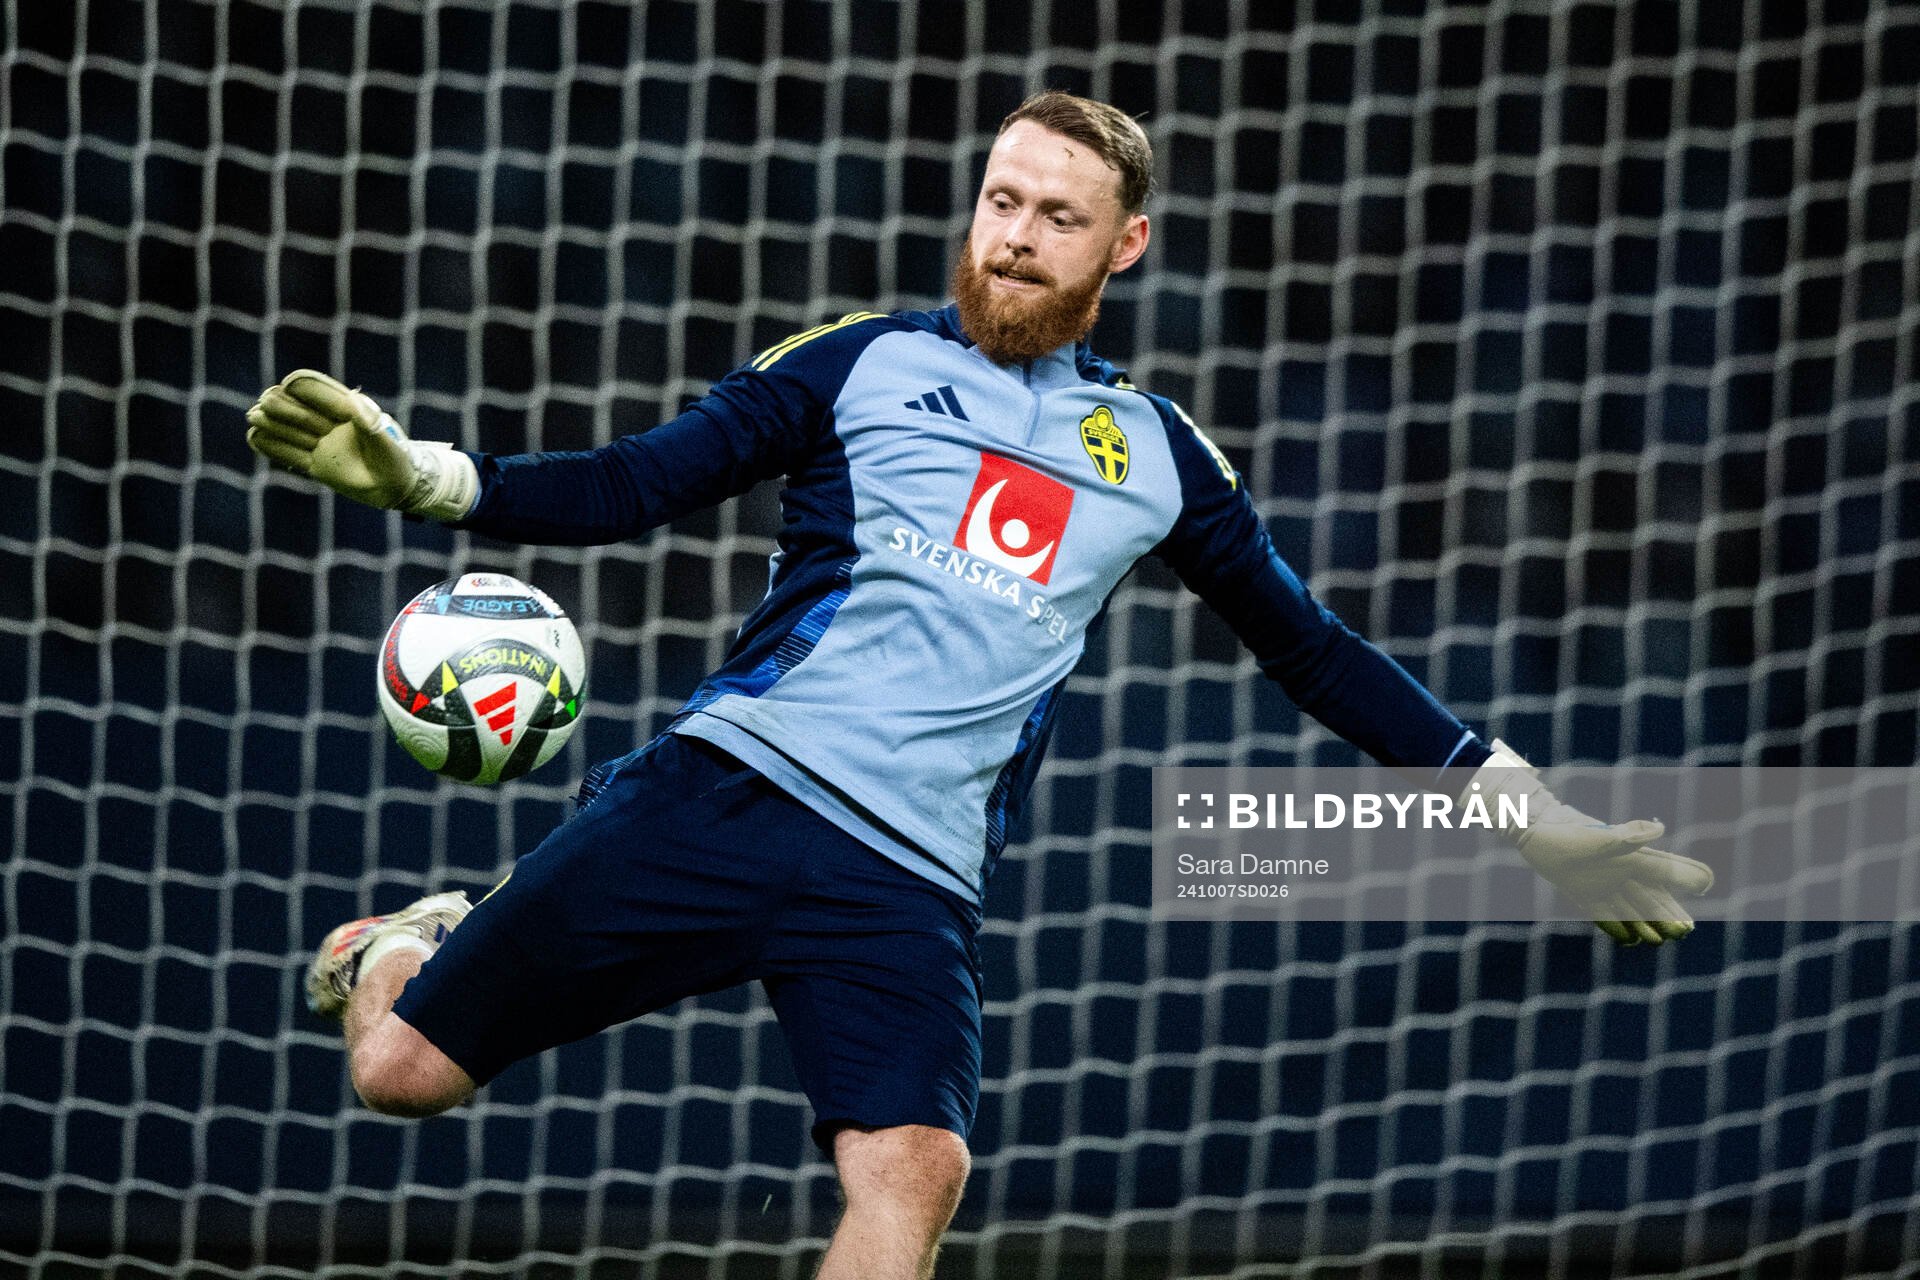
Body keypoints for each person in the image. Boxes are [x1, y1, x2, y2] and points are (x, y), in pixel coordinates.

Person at [243, 91, 1712, 1279]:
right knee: (402, 1076)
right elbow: (638, 481)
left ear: (1124, 246)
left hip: (912, 874)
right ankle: (406, 943)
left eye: (1057, 218)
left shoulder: (1161, 457)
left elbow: (1315, 652)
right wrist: (428, 477)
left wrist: (1531, 819)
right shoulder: (860, 363)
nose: (1014, 240)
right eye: (1002, 202)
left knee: (917, 1169)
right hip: (731, 787)